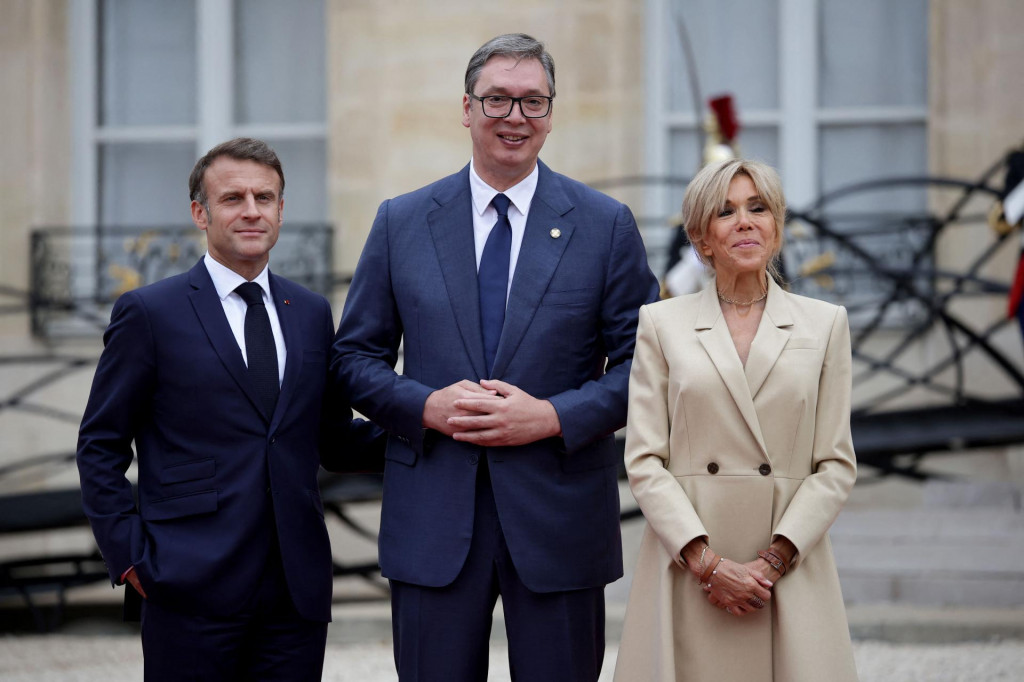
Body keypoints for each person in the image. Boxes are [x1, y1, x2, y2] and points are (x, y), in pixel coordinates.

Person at [331, 33, 659, 681]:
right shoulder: (402, 222)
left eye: (533, 102)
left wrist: (553, 417)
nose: (516, 118)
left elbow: (646, 369)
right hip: (433, 514)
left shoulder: (605, 225)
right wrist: (424, 404)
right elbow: (353, 358)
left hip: (558, 516)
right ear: (466, 108)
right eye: (499, 100)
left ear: (552, 111)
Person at [77, 137, 382, 681]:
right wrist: (128, 555)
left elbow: (332, 438)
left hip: (295, 589)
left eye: (265, 198)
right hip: (187, 582)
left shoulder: (310, 312)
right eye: (233, 198)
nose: (251, 211)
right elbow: (100, 444)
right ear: (201, 212)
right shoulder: (149, 313)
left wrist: (432, 423)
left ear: (281, 211)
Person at [614, 158, 858, 681]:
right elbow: (644, 459)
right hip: (691, 564)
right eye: (726, 212)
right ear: (702, 238)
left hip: (786, 568)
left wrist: (772, 562)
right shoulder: (661, 322)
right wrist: (708, 563)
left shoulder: (825, 323)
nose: (745, 221)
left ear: (776, 226)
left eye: (758, 207)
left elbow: (835, 464)